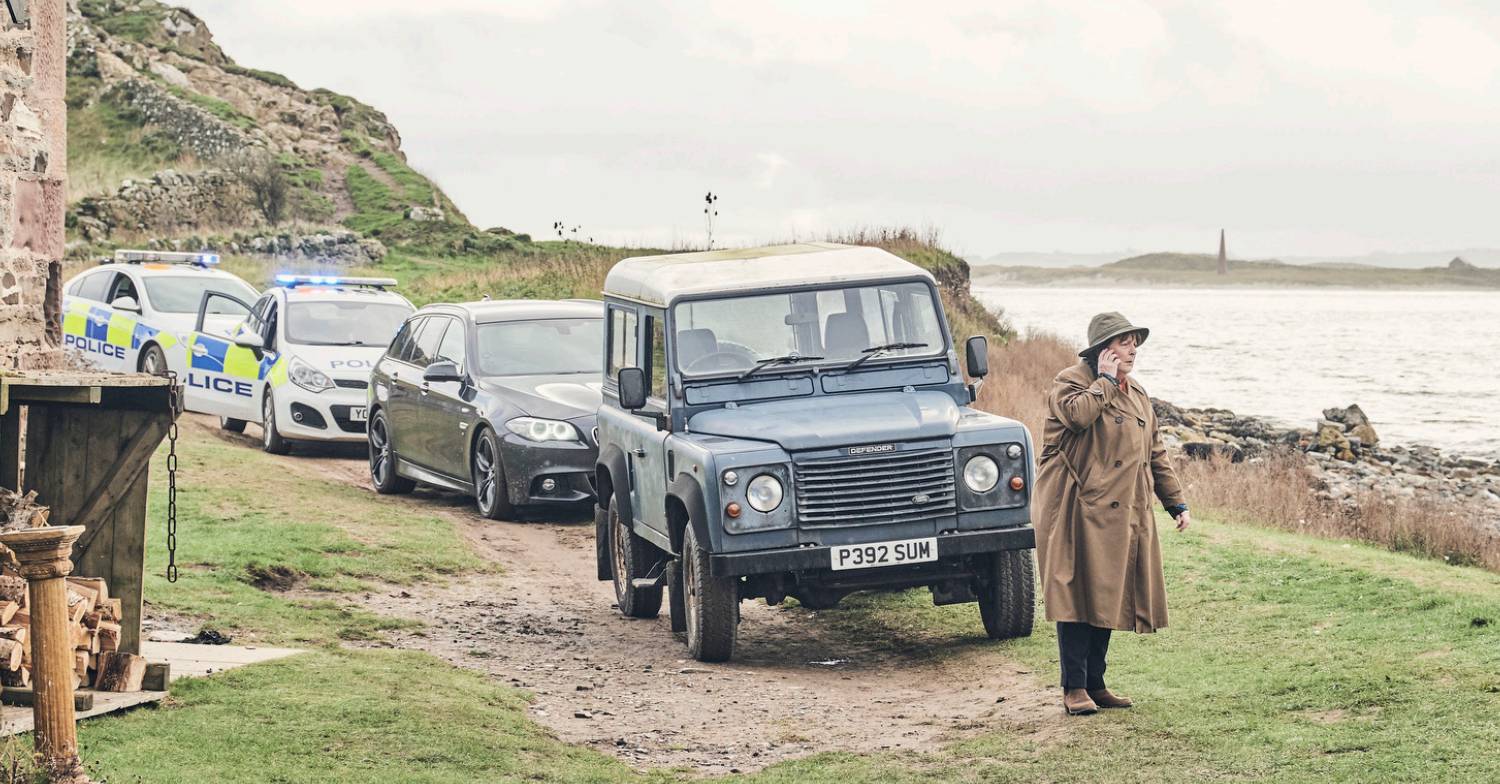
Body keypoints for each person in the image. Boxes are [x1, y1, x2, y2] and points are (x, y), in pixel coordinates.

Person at [1032, 312, 1191, 716]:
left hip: (1124, 512)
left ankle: (1096, 683)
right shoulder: (1070, 380)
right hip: (1076, 508)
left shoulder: (1137, 392)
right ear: (1104, 350)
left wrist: (1176, 503)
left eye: (1135, 342)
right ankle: (1074, 688)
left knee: (1106, 592)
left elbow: (1154, 451)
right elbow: (1077, 416)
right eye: (1125, 342)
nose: (1133, 349)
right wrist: (1103, 382)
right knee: (1076, 594)